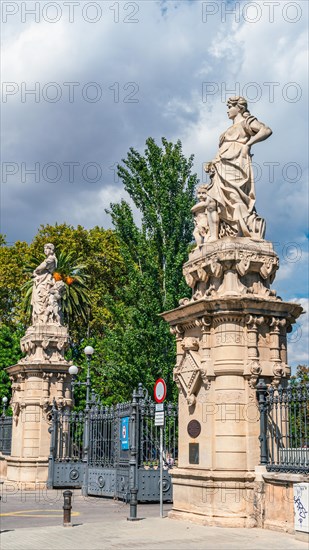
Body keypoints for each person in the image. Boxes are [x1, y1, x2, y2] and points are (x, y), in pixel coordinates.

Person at [204, 96, 272, 241]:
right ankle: (214, 236)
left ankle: (243, 231)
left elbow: (265, 130)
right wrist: (213, 161)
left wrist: (248, 144)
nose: (227, 111)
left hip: (236, 162)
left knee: (235, 198)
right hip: (221, 164)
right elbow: (223, 148)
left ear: (239, 107)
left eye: (230, 107)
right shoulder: (229, 128)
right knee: (211, 201)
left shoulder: (247, 122)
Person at [31, 243, 57, 324]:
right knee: (37, 298)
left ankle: (42, 319)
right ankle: (39, 319)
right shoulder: (49, 259)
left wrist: (35, 271)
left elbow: (41, 267)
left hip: (45, 280)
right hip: (42, 279)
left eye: (47, 248)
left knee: (40, 297)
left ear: (51, 250)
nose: (45, 250)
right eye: (44, 249)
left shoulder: (51, 259)